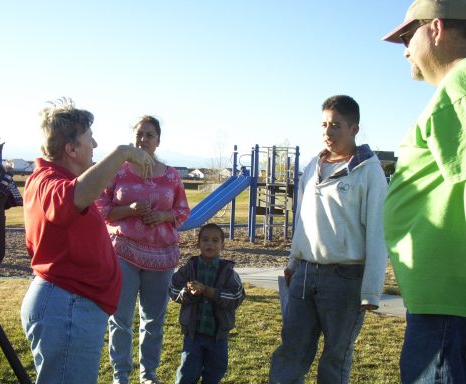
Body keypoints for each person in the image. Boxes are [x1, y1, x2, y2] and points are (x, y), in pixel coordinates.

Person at [20, 97, 155, 384]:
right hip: (68, 308)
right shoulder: (48, 180)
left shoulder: (54, 178)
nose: (95, 147)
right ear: (70, 149)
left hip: (72, 308)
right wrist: (121, 154)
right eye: (90, 139)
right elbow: (73, 198)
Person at [268, 95, 389, 384]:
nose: (327, 132)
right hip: (304, 274)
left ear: (354, 129)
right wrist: (293, 259)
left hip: (345, 280)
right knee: (292, 350)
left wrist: (371, 290)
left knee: (335, 356)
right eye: (324, 124)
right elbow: (303, 219)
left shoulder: (369, 172)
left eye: (336, 125)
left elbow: (377, 232)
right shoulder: (313, 165)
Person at [382, 1, 466, 382]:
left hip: (449, 305)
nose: (403, 50)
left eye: (405, 36)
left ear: (435, 28)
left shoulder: (460, 83)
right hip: (442, 301)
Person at [96, 115, 191, 384]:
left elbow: (183, 211)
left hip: (161, 258)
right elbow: (100, 209)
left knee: (153, 321)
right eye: (139, 134)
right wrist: (130, 210)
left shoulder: (171, 175)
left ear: (158, 141)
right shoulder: (117, 171)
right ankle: (121, 376)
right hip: (123, 253)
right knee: (120, 318)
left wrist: (163, 216)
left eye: (149, 135)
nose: (143, 139)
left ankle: (148, 376)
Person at [169, 223, 245, 384]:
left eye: (215, 240)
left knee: (216, 369)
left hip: (218, 335)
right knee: (188, 370)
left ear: (222, 246)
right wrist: (189, 293)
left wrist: (214, 293)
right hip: (193, 333)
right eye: (205, 240)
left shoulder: (228, 272)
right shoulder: (189, 269)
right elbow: (173, 289)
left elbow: (237, 296)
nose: (210, 243)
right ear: (198, 244)